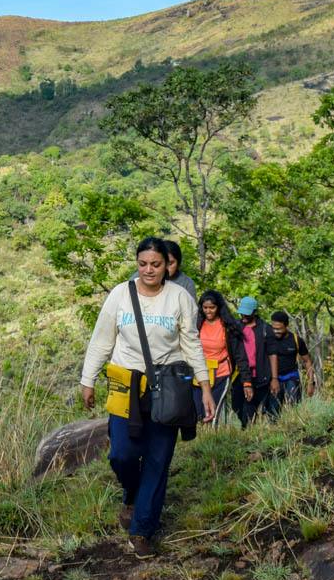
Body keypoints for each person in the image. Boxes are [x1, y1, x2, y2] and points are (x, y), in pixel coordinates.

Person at [80, 237, 213, 557]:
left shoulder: (179, 297)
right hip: (126, 385)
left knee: (157, 459)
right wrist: (88, 380)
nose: (149, 270)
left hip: (167, 388)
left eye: (156, 264)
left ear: (167, 266)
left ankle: (142, 531)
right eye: (143, 264)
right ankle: (131, 492)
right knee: (121, 455)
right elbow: (102, 339)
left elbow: (192, 345)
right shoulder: (120, 295)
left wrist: (204, 386)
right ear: (137, 263)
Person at [195, 291, 243, 426]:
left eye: (212, 308)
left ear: (218, 307)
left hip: (221, 373)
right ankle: (199, 439)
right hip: (199, 373)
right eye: (205, 308)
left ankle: (212, 438)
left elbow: (240, 355)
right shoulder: (197, 324)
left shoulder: (228, 326)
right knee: (199, 411)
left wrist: (246, 381)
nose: (208, 311)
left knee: (213, 410)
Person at [230, 297, 274, 427]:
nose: (243, 315)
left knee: (251, 405)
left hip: (260, 375)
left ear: (254, 312)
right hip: (240, 374)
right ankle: (247, 426)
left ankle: (248, 431)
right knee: (236, 404)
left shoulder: (266, 329)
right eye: (242, 312)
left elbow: (272, 354)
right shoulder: (236, 328)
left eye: (247, 313)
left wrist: (274, 378)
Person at [265, 310, 312, 415]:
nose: (275, 331)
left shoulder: (296, 340)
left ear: (286, 326)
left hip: (291, 377)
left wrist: (310, 383)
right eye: (273, 328)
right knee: (273, 412)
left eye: (279, 329)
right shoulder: (268, 339)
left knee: (294, 409)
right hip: (273, 379)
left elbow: (307, 361)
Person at [131, 237, 197, 300]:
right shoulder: (138, 277)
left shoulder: (186, 283)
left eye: (170, 263)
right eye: (143, 264)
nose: (166, 268)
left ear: (178, 263)